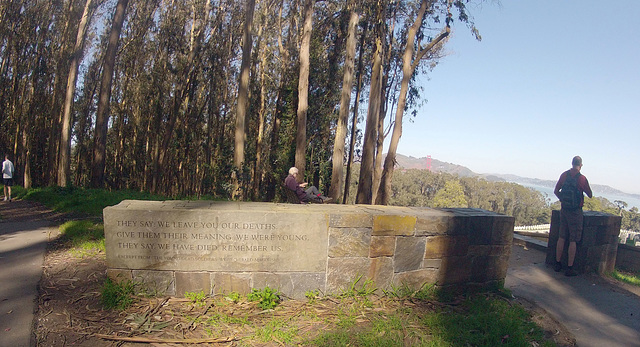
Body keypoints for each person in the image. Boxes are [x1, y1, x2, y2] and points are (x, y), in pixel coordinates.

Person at [553, 156, 592, 276]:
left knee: (562, 236)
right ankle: (570, 268)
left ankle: (557, 263)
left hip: (564, 210)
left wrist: (563, 200)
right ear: (581, 165)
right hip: (575, 212)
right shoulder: (582, 178)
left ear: (572, 163)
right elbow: (590, 194)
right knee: (573, 239)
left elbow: (556, 191)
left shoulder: (564, 175)